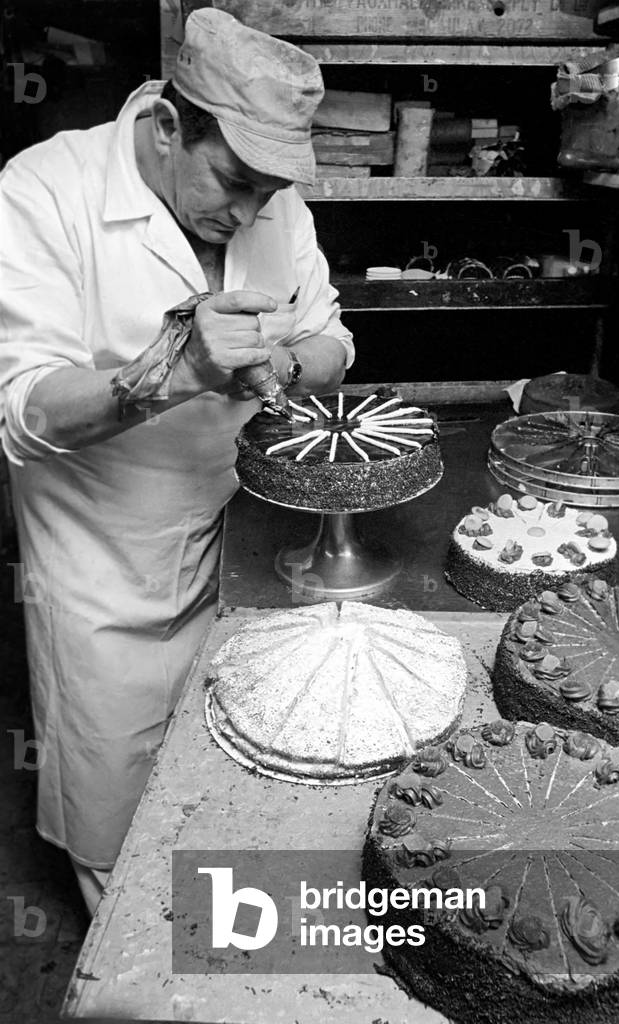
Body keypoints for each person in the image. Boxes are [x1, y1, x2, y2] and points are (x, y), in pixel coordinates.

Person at [0, 9, 353, 914]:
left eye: (269, 194)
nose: (250, 212)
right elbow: (26, 407)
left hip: (241, 549)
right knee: (115, 823)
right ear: (168, 126)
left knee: (232, 799)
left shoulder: (272, 202)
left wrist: (289, 361)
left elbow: (331, 338)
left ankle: (223, 947)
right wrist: (182, 369)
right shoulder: (46, 190)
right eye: (234, 182)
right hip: (103, 576)